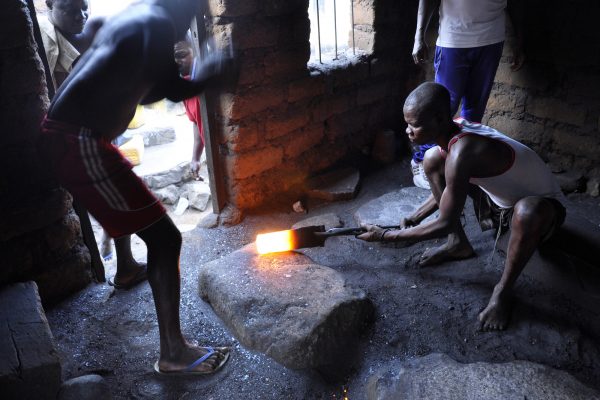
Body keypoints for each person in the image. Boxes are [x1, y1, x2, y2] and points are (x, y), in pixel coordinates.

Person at [39, 0, 232, 375]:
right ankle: (174, 352)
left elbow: (146, 91)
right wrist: (213, 68)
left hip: (71, 136)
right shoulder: (158, 24)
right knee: (165, 238)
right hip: (77, 141)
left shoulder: (136, 16)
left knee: (128, 190)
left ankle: (126, 268)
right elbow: (174, 90)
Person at [357, 82, 566, 332]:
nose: (408, 131)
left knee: (527, 212)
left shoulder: (463, 150)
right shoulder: (453, 132)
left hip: (544, 209)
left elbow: (445, 219)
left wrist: (387, 236)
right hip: (499, 201)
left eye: (415, 125)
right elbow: (452, 187)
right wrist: (415, 216)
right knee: (433, 159)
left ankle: (503, 291)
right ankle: (458, 244)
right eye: (407, 123)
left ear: (439, 119)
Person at [39, 0, 147, 289]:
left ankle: (122, 257)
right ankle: (123, 263)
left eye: (84, 7)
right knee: (115, 194)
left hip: (97, 130)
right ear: (49, 4)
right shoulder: (44, 42)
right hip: (75, 138)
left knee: (114, 192)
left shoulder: (93, 32)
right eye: (71, 8)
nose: (81, 15)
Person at [410, 0, 525, 190]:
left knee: (474, 109)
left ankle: (464, 163)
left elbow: (517, 4)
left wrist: (519, 41)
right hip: (454, 39)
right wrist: (418, 36)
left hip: (491, 39)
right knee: (442, 108)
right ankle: (422, 160)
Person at [174, 39, 205, 181]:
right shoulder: (185, 85)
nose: (177, 61)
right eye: (174, 57)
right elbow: (196, 122)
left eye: (182, 55)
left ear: (196, 51)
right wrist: (195, 158)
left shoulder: (204, 78)